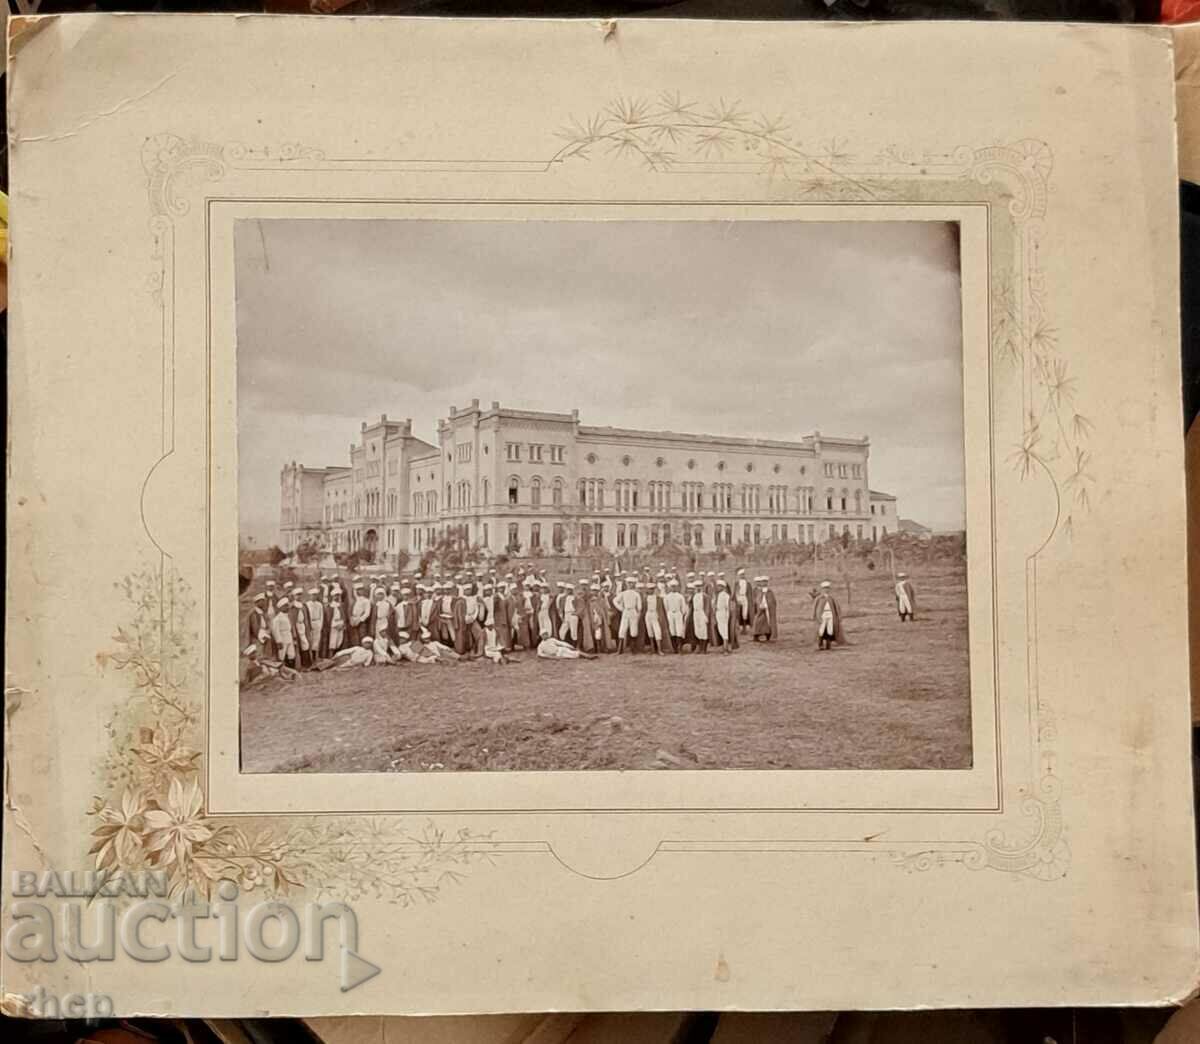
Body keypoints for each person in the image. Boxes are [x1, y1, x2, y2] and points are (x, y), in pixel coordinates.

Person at [614, 576, 643, 654]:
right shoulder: (623, 593)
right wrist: (621, 608)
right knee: (622, 629)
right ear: (626, 584)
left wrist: (638, 614)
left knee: (634, 630)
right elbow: (615, 601)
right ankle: (619, 650)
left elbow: (639, 606)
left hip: (633, 612)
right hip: (626, 611)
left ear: (634, 584)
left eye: (632, 583)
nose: (630, 585)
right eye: (629, 583)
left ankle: (633, 649)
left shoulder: (636, 594)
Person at [813, 580, 845, 650]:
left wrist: (839, 616)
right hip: (822, 615)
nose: (826, 590)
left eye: (827, 588)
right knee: (821, 629)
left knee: (830, 629)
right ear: (822, 589)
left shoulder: (832, 598)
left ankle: (828, 644)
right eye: (824, 588)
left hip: (830, 615)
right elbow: (815, 607)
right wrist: (814, 616)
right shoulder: (819, 598)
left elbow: (837, 607)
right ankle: (820, 644)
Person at [644, 579, 670, 655]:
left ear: (654, 589)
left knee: (657, 631)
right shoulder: (645, 598)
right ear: (647, 590)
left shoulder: (658, 598)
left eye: (652, 589)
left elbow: (661, 609)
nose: (651, 590)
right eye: (649, 589)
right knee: (650, 632)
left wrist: (660, 616)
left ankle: (659, 649)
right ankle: (652, 649)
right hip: (648, 615)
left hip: (655, 614)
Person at [270, 596, 297, 668]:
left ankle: (291, 669)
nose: (287, 607)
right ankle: (282, 671)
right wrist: (279, 641)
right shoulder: (277, 618)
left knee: (292, 654)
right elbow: (275, 631)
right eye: (285, 606)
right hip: (282, 638)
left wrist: (293, 637)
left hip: (289, 637)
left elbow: (290, 627)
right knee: (281, 655)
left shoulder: (287, 616)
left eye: (288, 605)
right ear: (281, 608)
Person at [751, 576, 779, 642]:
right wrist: (760, 605)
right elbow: (758, 599)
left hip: (768, 609)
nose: (764, 583)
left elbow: (773, 600)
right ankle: (756, 635)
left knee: (769, 622)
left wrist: (769, 605)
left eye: (765, 582)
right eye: (763, 582)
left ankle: (768, 635)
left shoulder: (770, 591)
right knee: (758, 621)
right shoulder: (759, 591)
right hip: (760, 608)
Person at [664, 578, 687, 654]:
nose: (673, 588)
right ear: (670, 587)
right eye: (672, 586)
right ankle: (674, 648)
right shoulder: (667, 597)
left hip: (678, 614)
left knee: (679, 630)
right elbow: (666, 607)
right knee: (672, 630)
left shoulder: (680, 596)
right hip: (670, 614)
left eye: (675, 586)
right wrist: (668, 613)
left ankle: (680, 647)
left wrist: (682, 614)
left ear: (677, 587)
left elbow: (683, 607)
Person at [713, 578, 734, 654]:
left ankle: (725, 649)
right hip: (718, 613)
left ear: (723, 587)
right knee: (720, 630)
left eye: (720, 586)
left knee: (724, 631)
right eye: (718, 586)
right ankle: (724, 647)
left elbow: (727, 607)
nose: (718, 588)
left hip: (723, 613)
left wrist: (727, 616)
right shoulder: (717, 595)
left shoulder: (726, 595)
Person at [690, 580, 711, 654]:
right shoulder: (694, 596)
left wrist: (706, 615)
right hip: (696, 613)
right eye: (696, 587)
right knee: (697, 630)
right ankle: (699, 647)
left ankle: (704, 649)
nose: (698, 588)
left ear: (701, 587)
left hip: (702, 613)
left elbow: (708, 606)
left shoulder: (705, 596)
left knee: (704, 631)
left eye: (699, 586)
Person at [247, 593, 271, 658]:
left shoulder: (263, 612)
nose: (263, 603)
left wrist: (268, 631)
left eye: (263, 601)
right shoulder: (253, 614)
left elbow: (267, 624)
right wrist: (263, 635)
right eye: (261, 601)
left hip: (264, 633)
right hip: (257, 637)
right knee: (259, 654)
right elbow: (255, 628)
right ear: (257, 602)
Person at [305, 588, 325, 659]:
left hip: (317, 622)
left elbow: (321, 615)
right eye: (313, 595)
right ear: (310, 596)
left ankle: (314, 657)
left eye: (315, 595)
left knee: (316, 640)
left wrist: (320, 625)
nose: (314, 596)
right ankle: (309, 657)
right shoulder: (307, 604)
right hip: (310, 622)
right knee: (310, 639)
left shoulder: (319, 604)